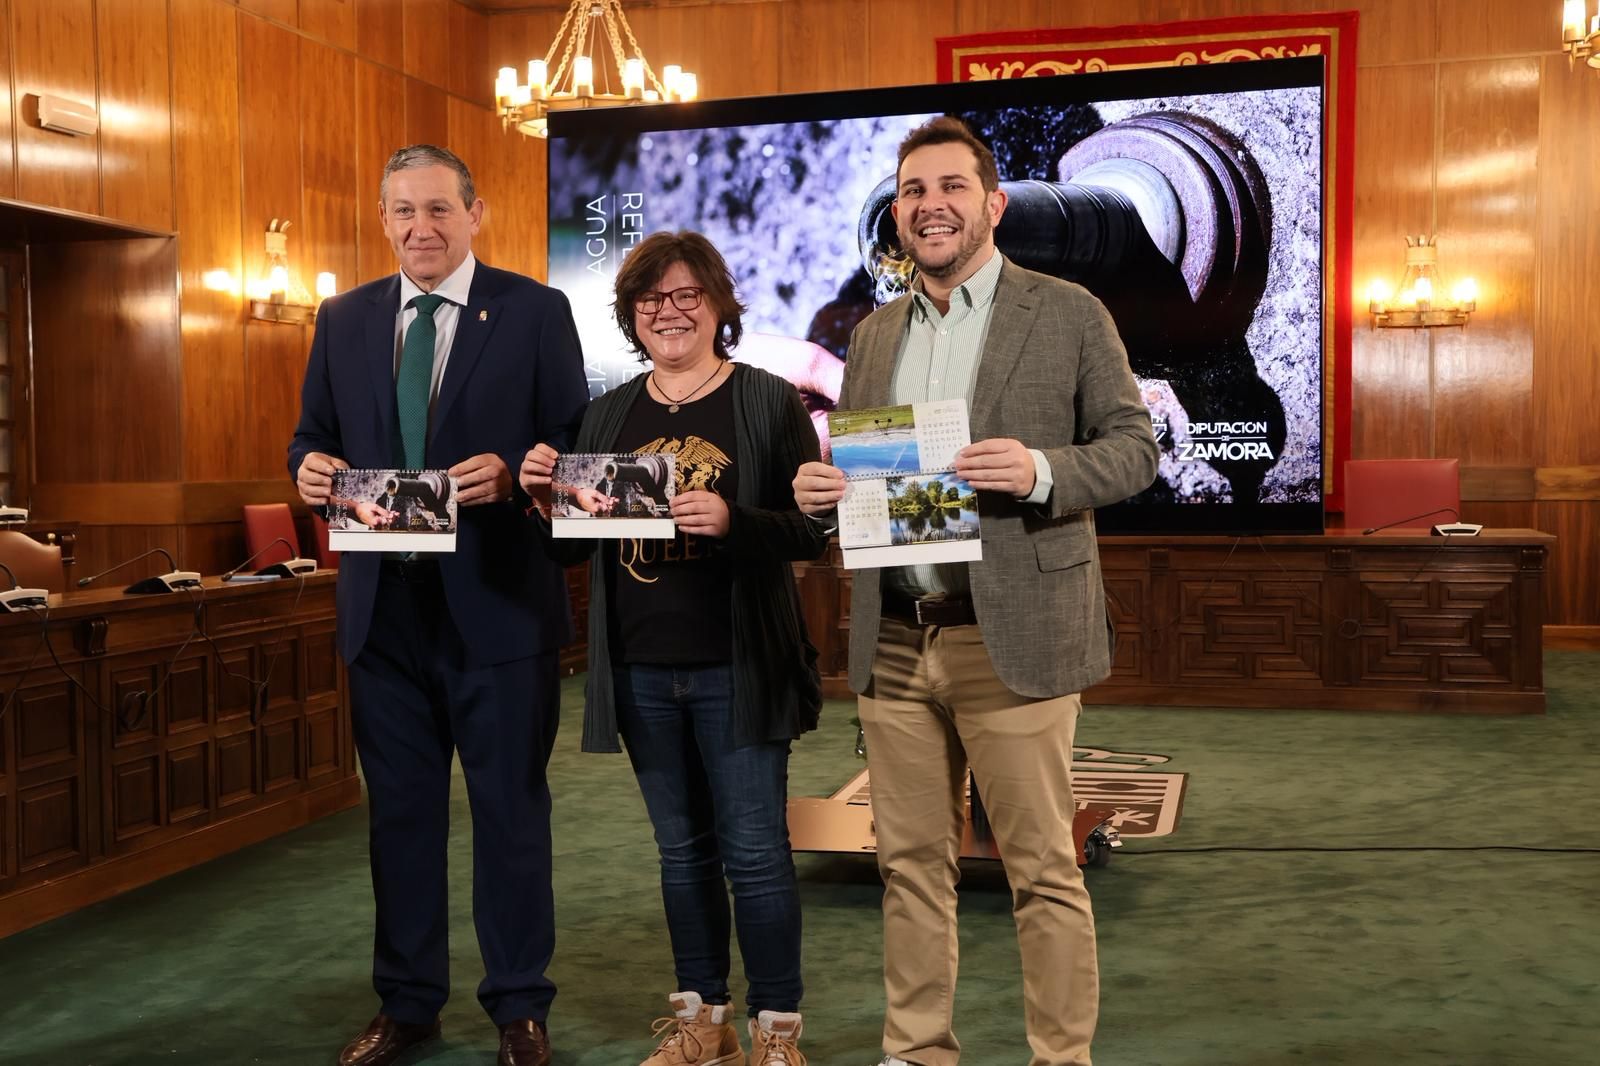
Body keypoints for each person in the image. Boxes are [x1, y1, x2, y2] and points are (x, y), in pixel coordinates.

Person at [792, 117, 1159, 1066]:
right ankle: (916, 1051)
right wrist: (825, 498)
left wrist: (1038, 469)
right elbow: (881, 488)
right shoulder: (872, 335)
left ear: (992, 204)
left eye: (951, 187)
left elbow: (1134, 449)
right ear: (899, 213)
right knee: (909, 868)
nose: (931, 206)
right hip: (897, 638)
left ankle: (1059, 1058)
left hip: (1015, 636)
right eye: (914, 191)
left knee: (1041, 869)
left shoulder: (1069, 311)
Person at [288, 144, 588, 1066]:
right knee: (402, 818)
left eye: (439, 211)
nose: (421, 228)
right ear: (382, 219)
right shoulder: (342, 319)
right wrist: (303, 470)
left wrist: (520, 473)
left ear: (475, 213)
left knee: (509, 813)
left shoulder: (536, 311)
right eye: (403, 211)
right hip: (383, 614)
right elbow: (314, 435)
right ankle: (408, 1002)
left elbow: (572, 441)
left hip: (498, 609)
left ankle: (518, 1007)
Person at [520, 231, 827, 1066]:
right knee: (680, 853)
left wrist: (735, 522)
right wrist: (541, 498)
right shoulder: (609, 413)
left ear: (719, 306)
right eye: (651, 301)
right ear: (631, 316)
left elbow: (813, 531)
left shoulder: (769, 402)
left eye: (688, 296)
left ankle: (777, 1032)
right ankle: (703, 1022)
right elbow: (566, 549)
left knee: (757, 855)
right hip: (642, 670)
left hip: (740, 668)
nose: (670, 312)